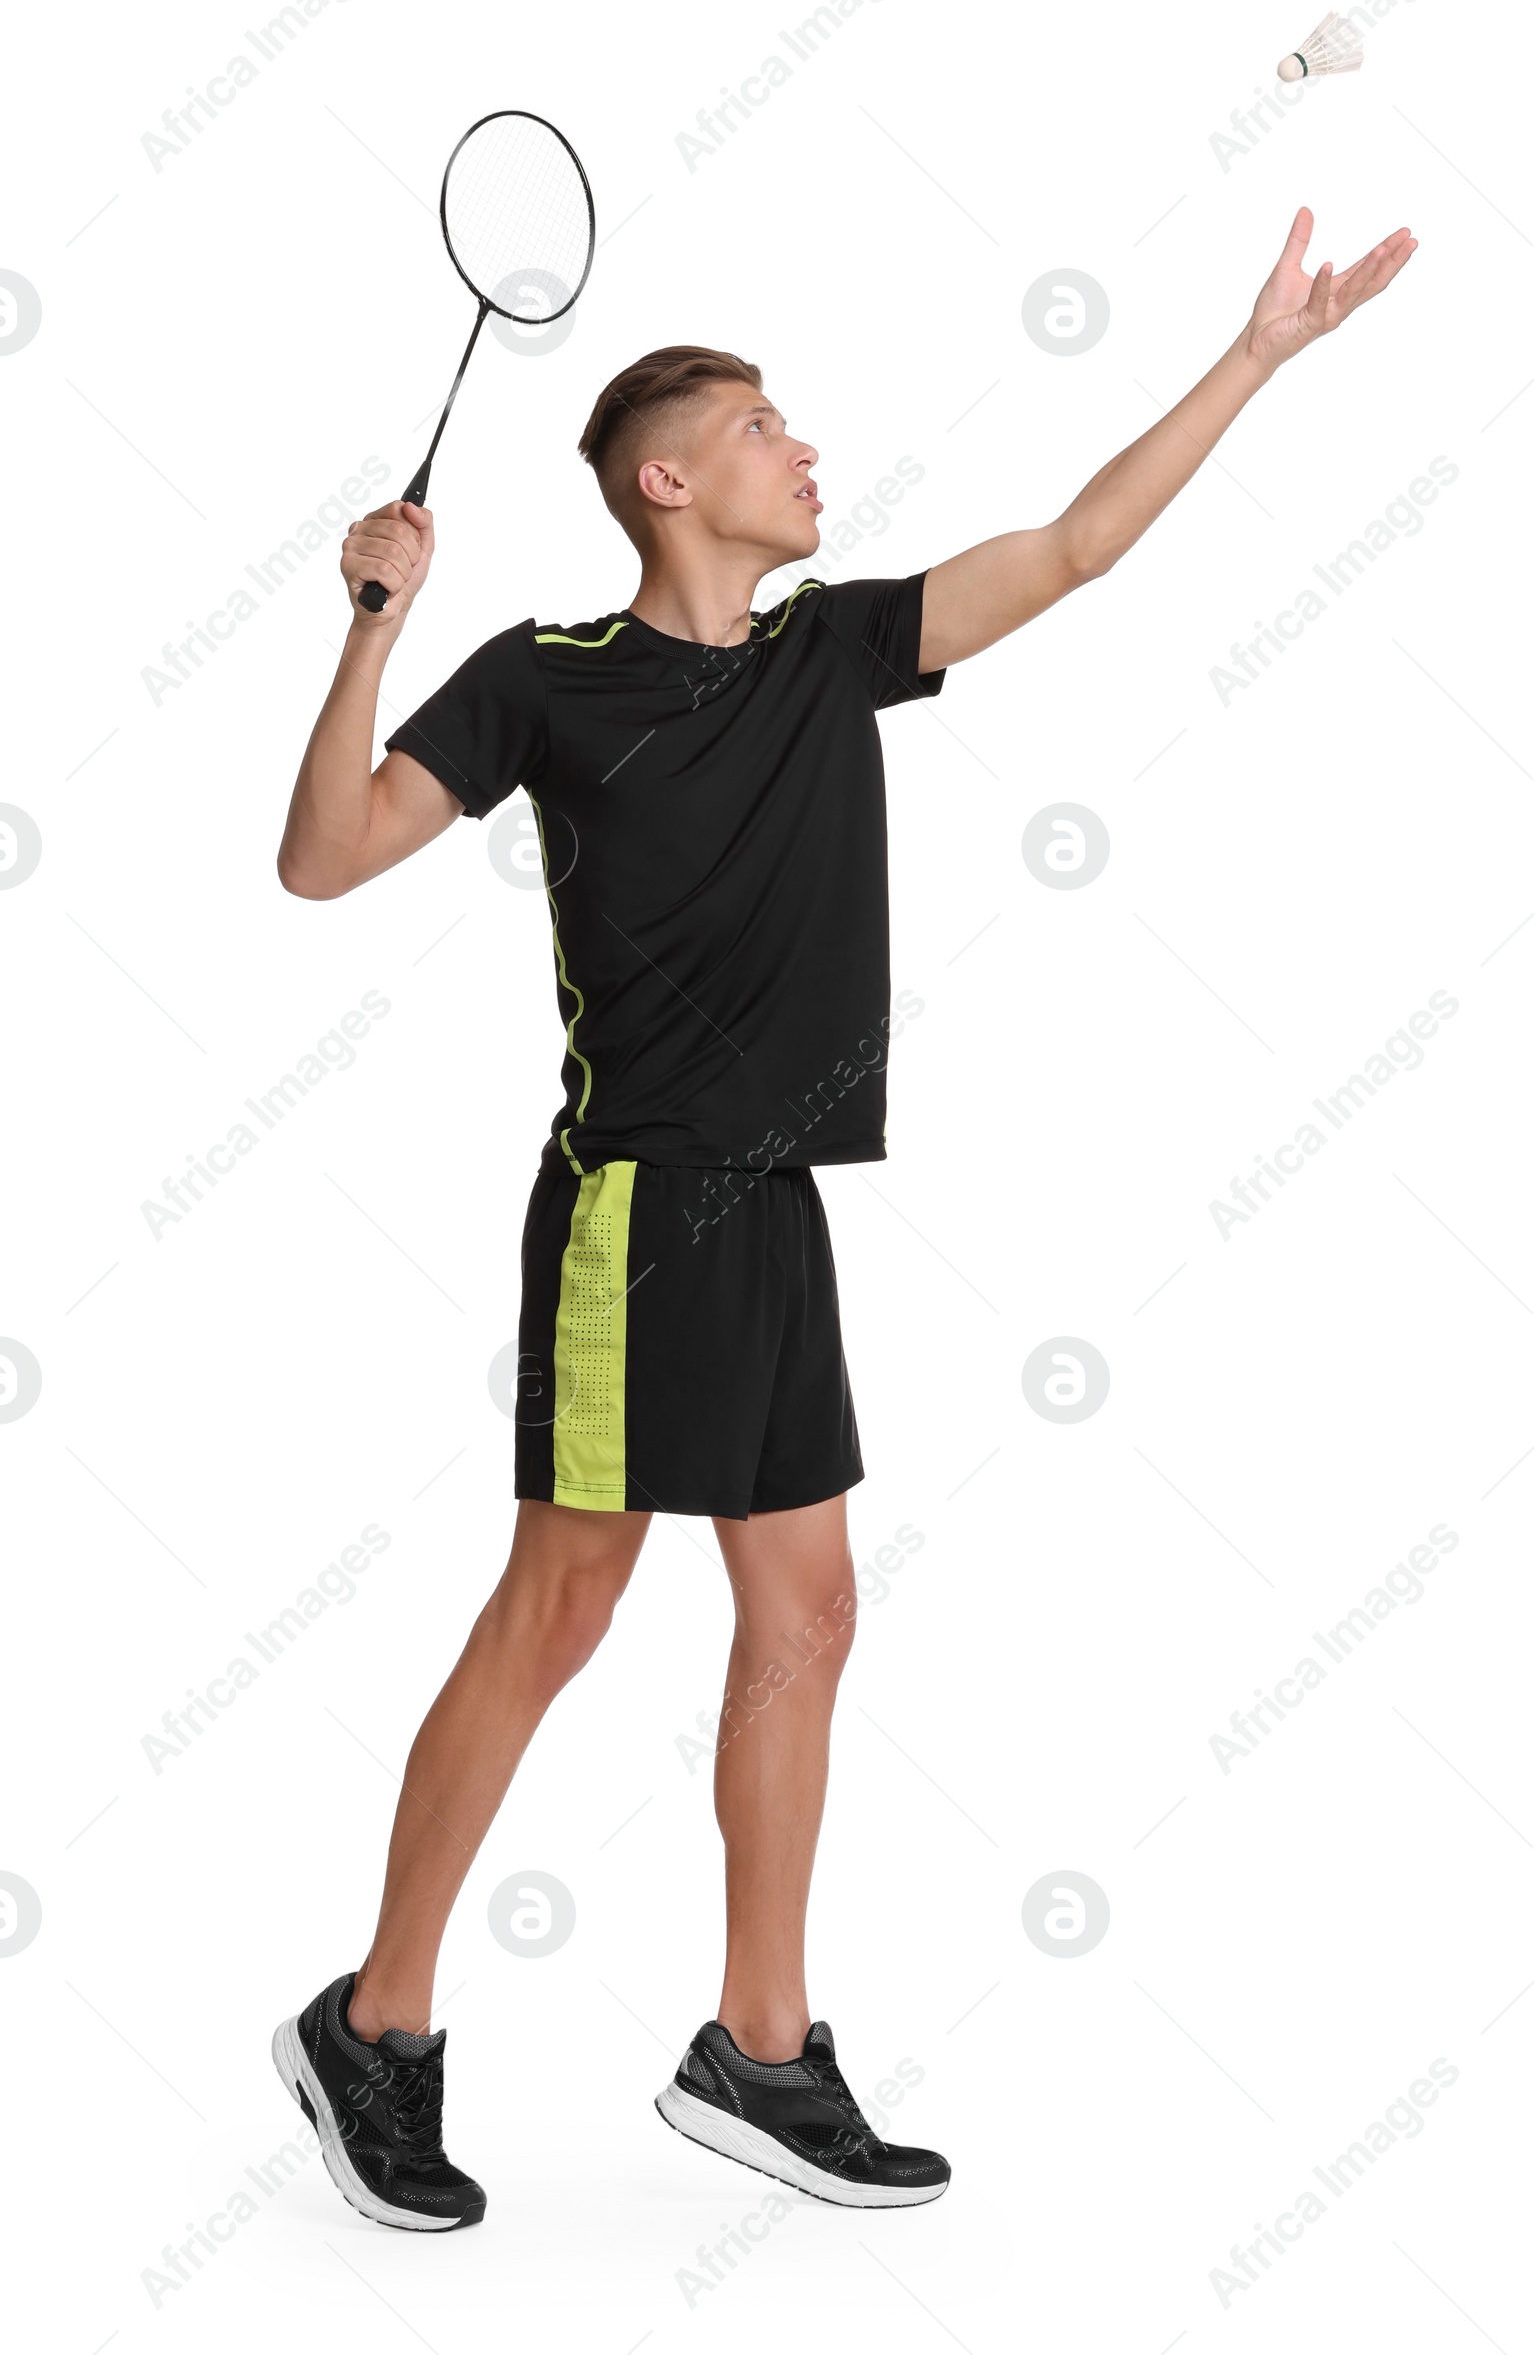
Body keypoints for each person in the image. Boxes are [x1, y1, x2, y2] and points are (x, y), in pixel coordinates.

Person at [271, 208, 1415, 2230]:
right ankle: (375, 2021)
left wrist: (1255, 360)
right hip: (634, 1213)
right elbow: (322, 855)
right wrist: (368, 617)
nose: (805, 447)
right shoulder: (536, 679)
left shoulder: (827, 655)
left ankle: (761, 2045)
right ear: (666, 479)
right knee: (561, 1605)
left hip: (775, 1208)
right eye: (762, 424)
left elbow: (1067, 547)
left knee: (802, 1612)